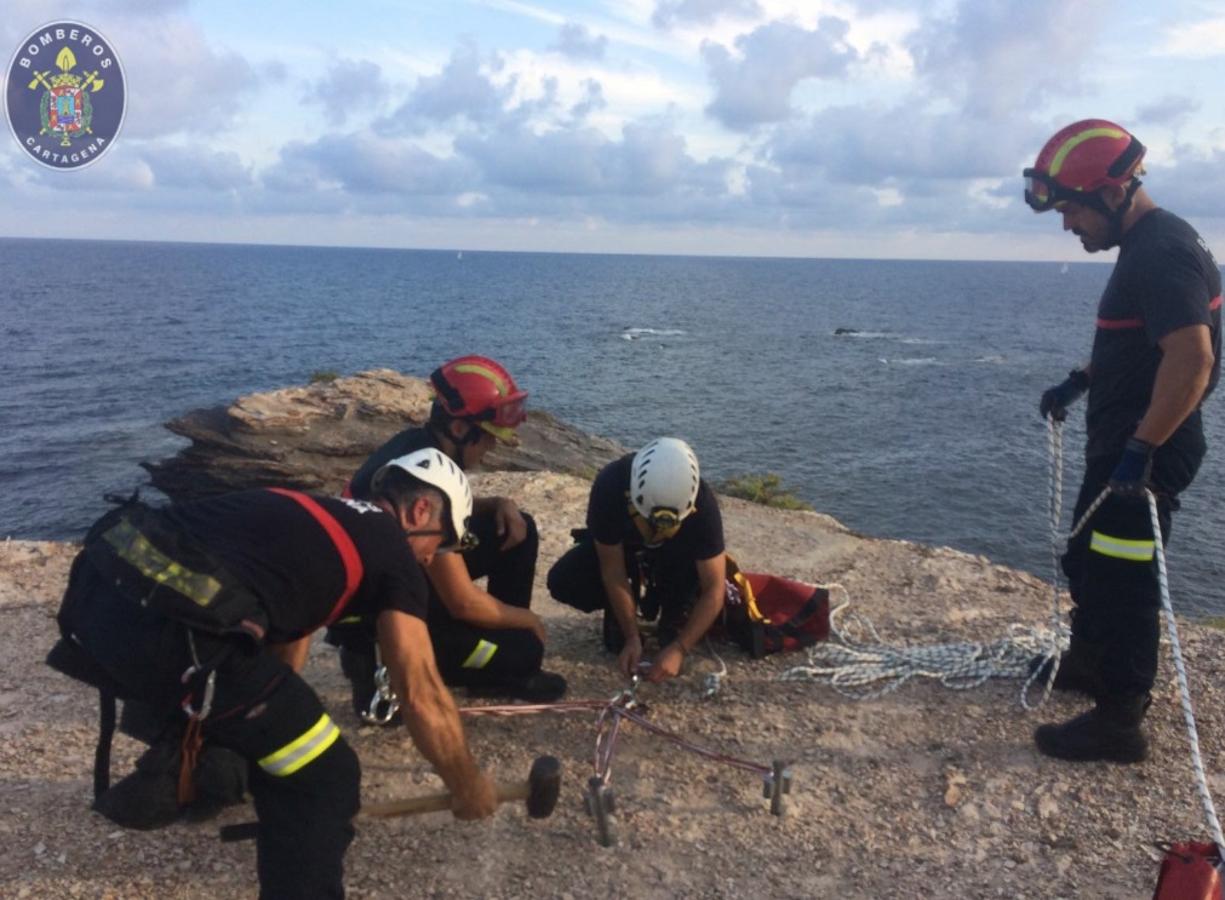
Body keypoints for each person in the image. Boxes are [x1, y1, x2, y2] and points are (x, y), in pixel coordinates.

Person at [48, 449, 499, 899]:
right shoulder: (393, 552)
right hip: (178, 637)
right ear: (420, 510)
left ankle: (192, 769)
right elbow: (420, 691)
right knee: (327, 775)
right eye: (440, 543)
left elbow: (287, 636)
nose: (430, 559)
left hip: (99, 602)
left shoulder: (319, 515)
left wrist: (274, 720)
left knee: (281, 732)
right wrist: (466, 785)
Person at [1024, 119, 1221, 763]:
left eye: (1073, 209)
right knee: (1087, 559)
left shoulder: (1161, 252)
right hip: (1127, 442)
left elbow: (1191, 359)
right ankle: (1086, 661)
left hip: (1148, 451)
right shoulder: (1147, 247)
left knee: (1125, 582)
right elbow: (1139, 346)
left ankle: (1120, 720)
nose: (1067, 225)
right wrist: (1081, 381)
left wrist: (1141, 450)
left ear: (1112, 194)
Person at [331, 355, 565, 711]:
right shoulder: (424, 482)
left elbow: (453, 512)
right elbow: (462, 601)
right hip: (380, 618)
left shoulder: (418, 449)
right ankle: (388, 668)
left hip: (392, 590)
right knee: (524, 649)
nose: (493, 447)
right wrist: (527, 621)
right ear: (459, 428)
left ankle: (485, 648)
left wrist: (499, 502)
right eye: (488, 437)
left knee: (520, 529)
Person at [547, 437, 727, 683]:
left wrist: (680, 648)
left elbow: (714, 588)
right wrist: (631, 636)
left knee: (687, 589)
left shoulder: (703, 504)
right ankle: (624, 613)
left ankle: (674, 611)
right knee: (564, 580)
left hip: (676, 561)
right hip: (624, 553)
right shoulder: (610, 485)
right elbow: (612, 570)